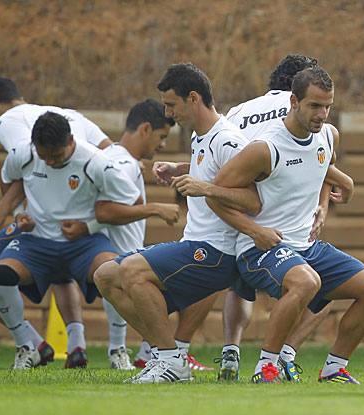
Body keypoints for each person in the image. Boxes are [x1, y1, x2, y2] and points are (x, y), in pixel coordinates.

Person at [204, 66, 364, 383]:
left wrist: (337, 190)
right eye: (315, 106)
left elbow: (318, 166)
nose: (322, 114)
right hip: (261, 249)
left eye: (327, 106)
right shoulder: (265, 148)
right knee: (306, 282)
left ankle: (334, 368)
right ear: (294, 102)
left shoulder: (328, 135)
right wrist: (254, 231)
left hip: (306, 247)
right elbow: (214, 195)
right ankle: (267, 368)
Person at [94, 63, 262, 383]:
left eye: (171, 105)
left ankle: (171, 361)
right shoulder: (202, 137)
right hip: (195, 242)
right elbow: (216, 172)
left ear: (193, 98)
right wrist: (181, 168)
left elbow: (253, 200)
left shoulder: (228, 141)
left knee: (131, 271)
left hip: (217, 250)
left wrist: (205, 188)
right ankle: (167, 354)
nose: (168, 114)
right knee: (105, 276)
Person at [0, 77, 119, 368]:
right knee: (56, 272)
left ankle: (34, 344)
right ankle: (72, 345)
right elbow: (112, 150)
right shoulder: (66, 115)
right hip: (60, 224)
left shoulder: (6, 122)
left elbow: (24, 164)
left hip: (59, 227)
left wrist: (9, 210)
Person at [0, 111, 141, 368]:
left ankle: (118, 350)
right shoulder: (23, 153)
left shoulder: (96, 162)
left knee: (116, 272)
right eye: (43, 156)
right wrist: (19, 213)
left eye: (56, 156)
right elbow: (7, 178)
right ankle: (26, 347)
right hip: (37, 241)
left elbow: (134, 201)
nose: (48, 162)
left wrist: (89, 226)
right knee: (0, 276)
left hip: (85, 243)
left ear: (70, 141)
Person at [62, 98, 180, 369]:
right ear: (145, 129)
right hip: (117, 251)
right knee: (171, 290)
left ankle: (142, 353)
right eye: (161, 136)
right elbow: (105, 211)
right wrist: (155, 209)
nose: (162, 145)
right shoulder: (123, 163)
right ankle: (124, 351)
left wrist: (87, 226)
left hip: (114, 248)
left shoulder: (115, 157)